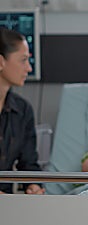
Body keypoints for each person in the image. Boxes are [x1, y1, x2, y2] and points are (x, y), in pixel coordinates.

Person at [0, 27, 44, 194]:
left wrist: (33, 186)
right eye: (23, 60)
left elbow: (29, 164)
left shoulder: (23, 110)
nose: (29, 68)